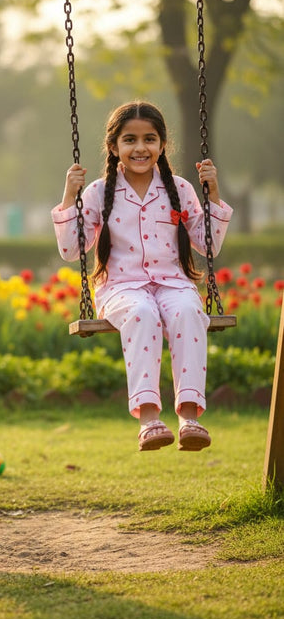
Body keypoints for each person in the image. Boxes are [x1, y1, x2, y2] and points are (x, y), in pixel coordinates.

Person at [52, 101, 233, 453]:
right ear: (114, 147)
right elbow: (71, 251)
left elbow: (206, 243)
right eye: (130, 140)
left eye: (149, 139)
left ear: (162, 145)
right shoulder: (97, 193)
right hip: (121, 287)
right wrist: (69, 196)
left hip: (173, 282)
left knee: (188, 311)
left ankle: (190, 417)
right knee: (143, 314)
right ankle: (149, 419)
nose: (140, 148)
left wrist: (213, 194)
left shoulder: (179, 189)